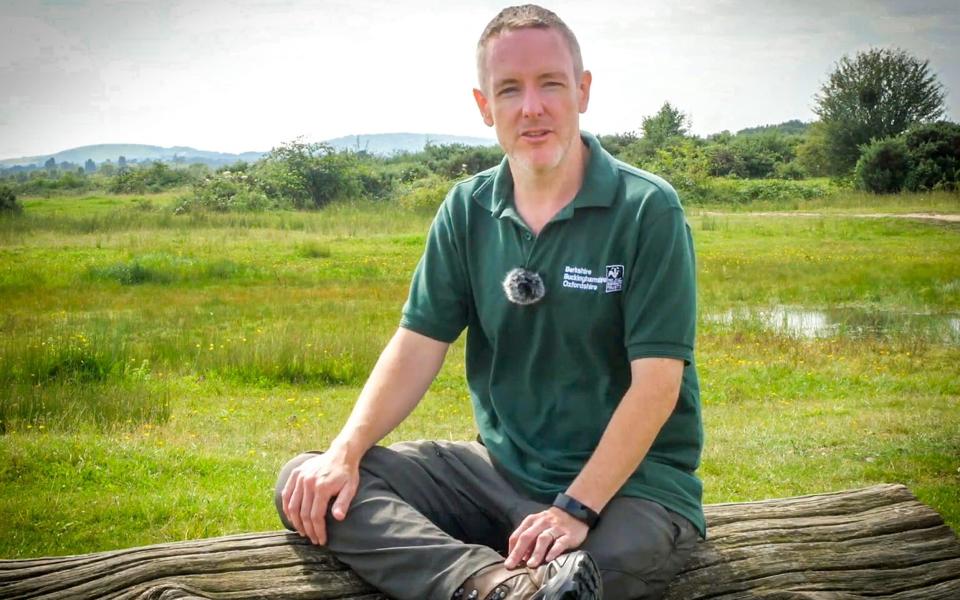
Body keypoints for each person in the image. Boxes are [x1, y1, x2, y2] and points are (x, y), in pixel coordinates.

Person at [275, 5, 704, 599]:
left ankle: (542, 583)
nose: (532, 107)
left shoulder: (646, 209)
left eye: (550, 83)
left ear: (582, 90)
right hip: (497, 474)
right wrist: (344, 451)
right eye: (510, 89)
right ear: (485, 106)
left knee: (597, 572)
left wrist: (575, 508)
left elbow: (656, 387)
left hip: (631, 489)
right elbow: (418, 344)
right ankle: (491, 586)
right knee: (310, 481)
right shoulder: (467, 209)